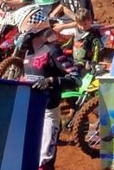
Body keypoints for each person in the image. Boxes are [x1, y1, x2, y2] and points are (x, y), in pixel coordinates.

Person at [20, 10, 80, 170]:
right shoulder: (28, 54)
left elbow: (75, 78)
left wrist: (51, 81)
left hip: (48, 112)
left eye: (25, 31)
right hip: (29, 111)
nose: (22, 36)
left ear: (35, 30)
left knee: (44, 162)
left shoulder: (52, 51)